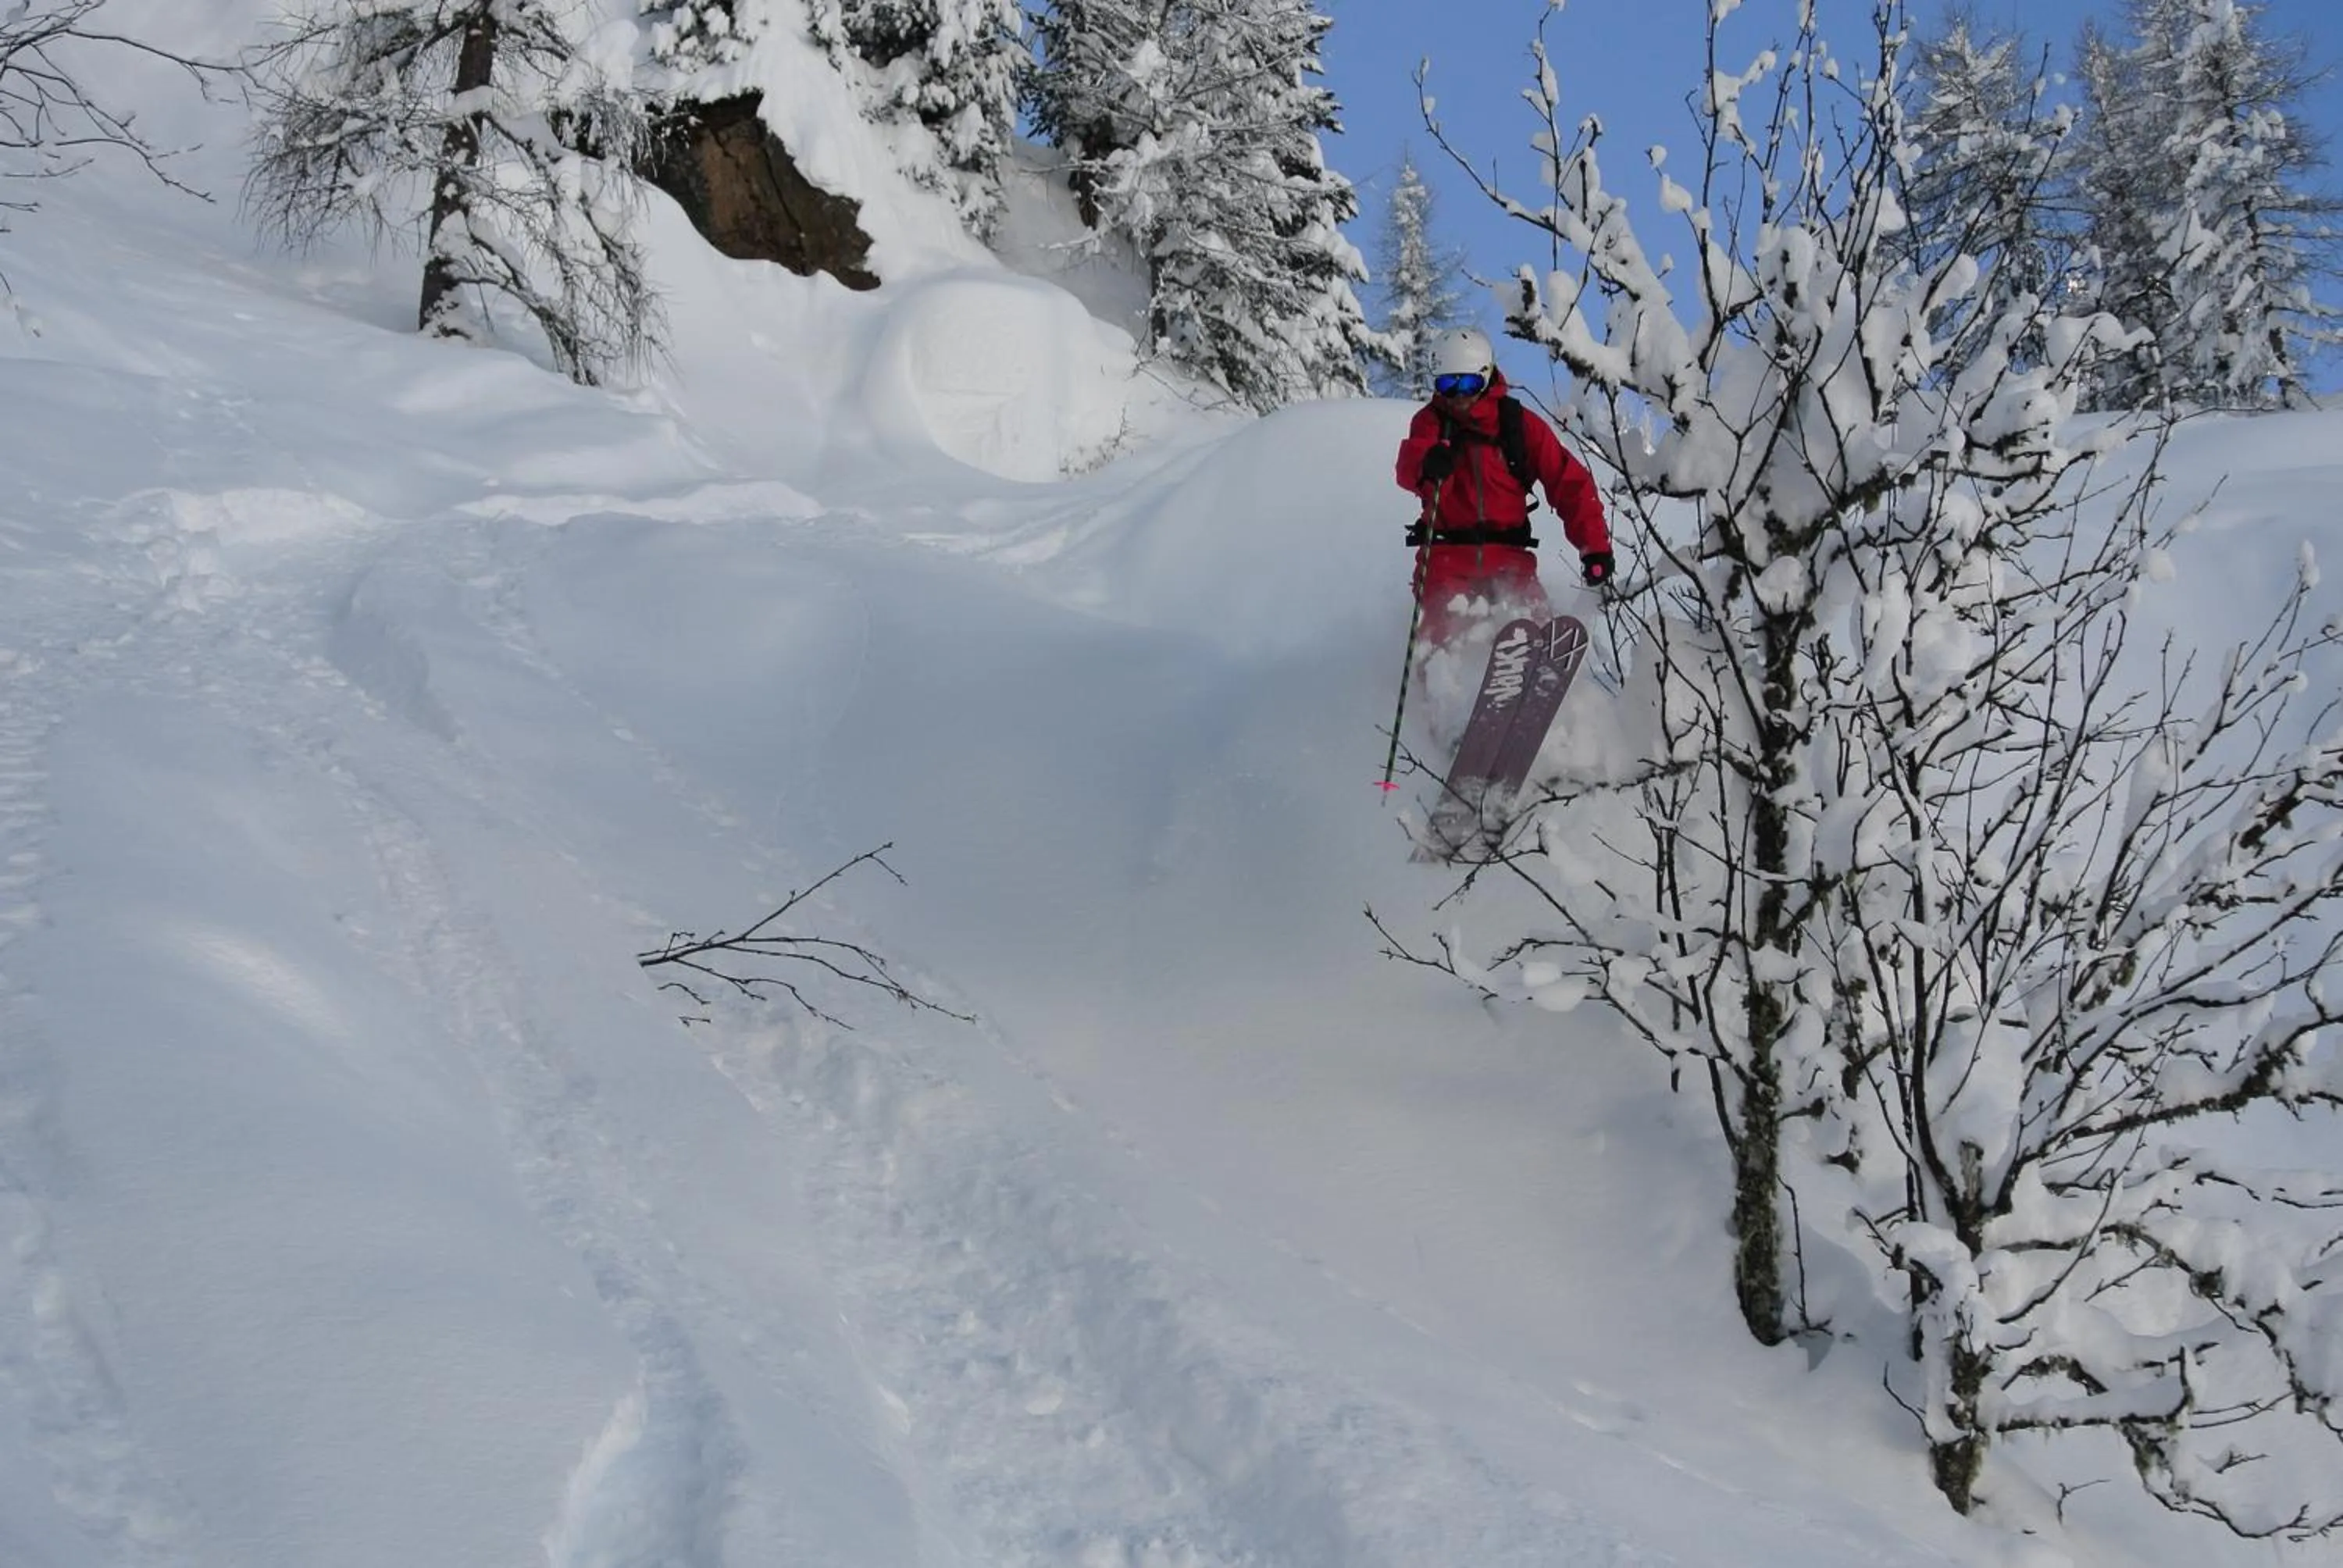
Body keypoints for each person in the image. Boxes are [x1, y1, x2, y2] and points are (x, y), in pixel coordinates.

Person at [1393, 326, 1613, 649]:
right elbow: (1408, 468)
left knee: (1534, 627)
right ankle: (1441, 693)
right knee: (1444, 637)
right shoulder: (1432, 422)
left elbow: (1570, 482)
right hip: (1445, 560)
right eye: (1447, 384)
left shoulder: (1517, 425)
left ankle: (1541, 681)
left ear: (1487, 375)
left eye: (1468, 383)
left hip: (1510, 558)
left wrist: (1594, 545)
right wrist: (1428, 462)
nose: (1459, 395)